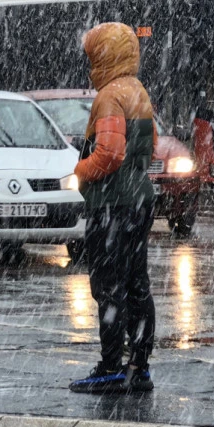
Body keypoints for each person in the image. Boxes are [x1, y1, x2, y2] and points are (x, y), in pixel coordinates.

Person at [69, 22, 158, 394]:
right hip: (139, 199)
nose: (90, 64)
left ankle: (110, 368)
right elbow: (150, 147)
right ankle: (139, 365)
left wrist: (80, 171)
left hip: (111, 204)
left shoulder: (109, 96)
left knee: (109, 287)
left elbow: (109, 153)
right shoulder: (138, 91)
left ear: (104, 56)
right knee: (137, 285)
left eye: (93, 57)